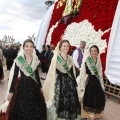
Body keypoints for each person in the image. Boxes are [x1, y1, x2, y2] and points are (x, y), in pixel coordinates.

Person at [0, 39, 46, 120]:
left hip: (34, 85)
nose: (29, 48)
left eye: (31, 46)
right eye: (27, 46)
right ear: (23, 47)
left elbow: (36, 75)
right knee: (21, 108)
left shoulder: (35, 59)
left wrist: (40, 87)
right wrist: (11, 92)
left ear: (33, 48)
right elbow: (14, 76)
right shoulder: (19, 59)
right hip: (22, 85)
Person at [43, 40, 81, 120]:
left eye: (67, 46)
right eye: (64, 46)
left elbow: (71, 71)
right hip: (59, 82)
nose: (66, 48)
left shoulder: (70, 58)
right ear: (60, 47)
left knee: (70, 101)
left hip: (69, 82)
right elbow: (51, 71)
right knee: (59, 100)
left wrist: (74, 82)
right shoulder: (56, 57)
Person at [77, 45, 105, 120]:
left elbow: (99, 72)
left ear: (98, 52)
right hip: (89, 80)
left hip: (96, 80)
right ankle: (87, 115)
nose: (93, 52)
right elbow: (83, 71)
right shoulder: (87, 60)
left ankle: (94, 114)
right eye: (92, 51)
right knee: (89, 97)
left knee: (97, 96)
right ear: (90, 52)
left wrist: (101, 81)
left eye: (95, 51)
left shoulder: (98, 60)